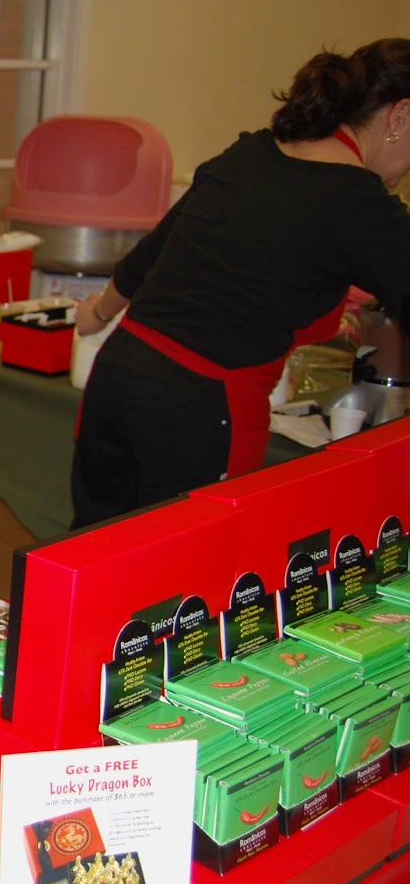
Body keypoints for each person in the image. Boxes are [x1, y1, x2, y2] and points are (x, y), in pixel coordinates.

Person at [70, 39, 410, 528]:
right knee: (194, 580)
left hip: (119, 374)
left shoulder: (253, 153)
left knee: (93, 552)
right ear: (399, 116)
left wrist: (98, 312)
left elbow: (157, 245)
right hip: (201, 408)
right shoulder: (360, 202)